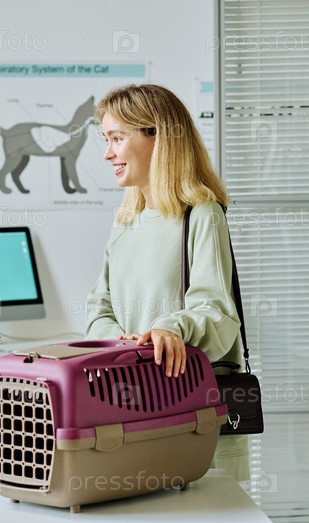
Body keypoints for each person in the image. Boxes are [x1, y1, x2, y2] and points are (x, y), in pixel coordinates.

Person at [84, 83, 248, 481]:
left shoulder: (202, 214)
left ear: (157, 136)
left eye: (117, 139)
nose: (108, 153)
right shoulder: (125, 221)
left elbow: (218, 313)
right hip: (134, 405)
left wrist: (168, 328)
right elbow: (98, 306)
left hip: (191, 414)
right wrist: (119, 343)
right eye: (107, 140)